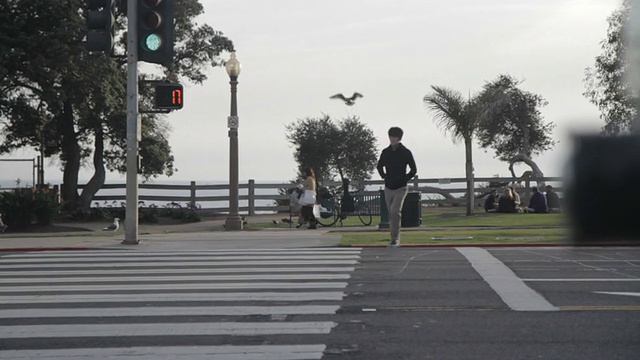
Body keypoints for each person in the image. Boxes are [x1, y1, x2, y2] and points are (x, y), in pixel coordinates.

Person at [376, 127, 417, 247]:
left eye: (395, 137)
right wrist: (384, 176)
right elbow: (379, 166)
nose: (392, 139)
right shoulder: (386, 152)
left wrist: (404, 178)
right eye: (391, 136)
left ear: (399, 138)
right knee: (391, 213)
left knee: (395, 212)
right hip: (389, 187)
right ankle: (393, 235)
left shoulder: (405, 152)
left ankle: (395, 238)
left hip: (401, 188)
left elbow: (413, 169)